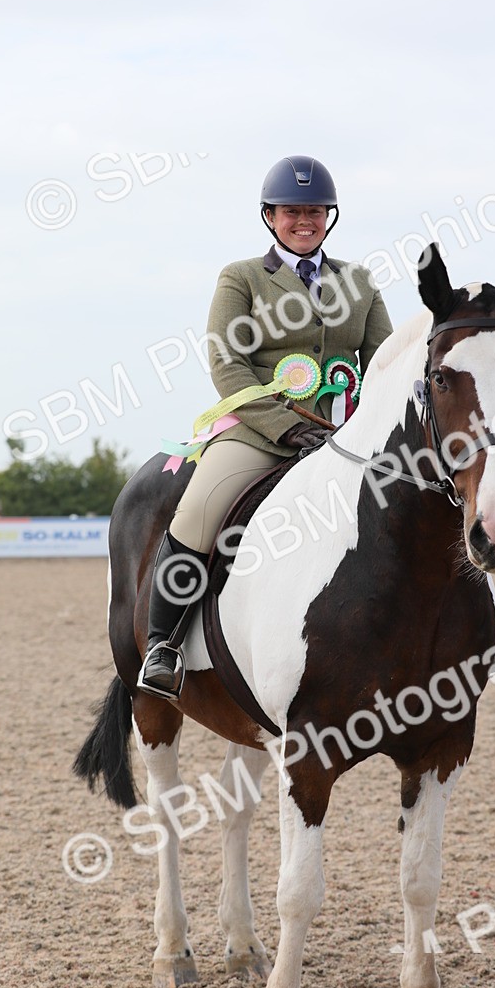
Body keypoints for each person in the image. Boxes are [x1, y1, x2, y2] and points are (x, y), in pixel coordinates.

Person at [138, 155, 393, 698]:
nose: (305, 220)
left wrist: (363, 425)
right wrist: (283, 426)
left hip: (343, 435)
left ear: (330, 216)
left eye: (316, 211)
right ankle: (163, 644)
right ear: (270, 216)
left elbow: (384, 364)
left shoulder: (360, 282)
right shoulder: (242, 278)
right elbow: (227, 363)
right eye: (292, 211)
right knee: (200, 510)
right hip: (259, 432)